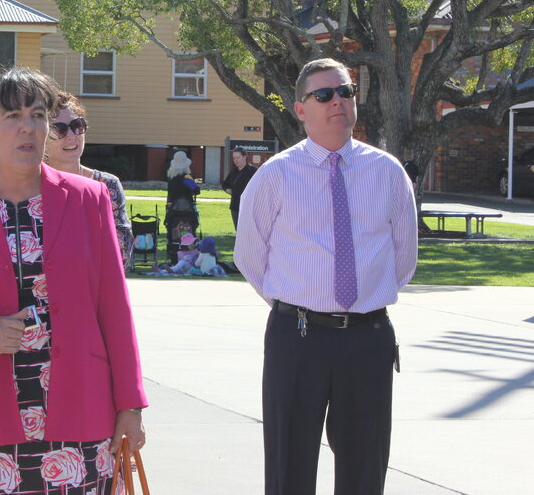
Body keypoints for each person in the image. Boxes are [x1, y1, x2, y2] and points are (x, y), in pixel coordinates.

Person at [0, 67, 147, 494]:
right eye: (13, 116)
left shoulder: (90, 199)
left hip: (82, 413)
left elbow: (114, 307)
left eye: (38, 115)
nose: (28, 127)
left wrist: (130, 404)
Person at [234, 57, 417, 495]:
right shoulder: (275, 175)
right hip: (296, 338)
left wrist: (358, 302)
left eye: (345, 92)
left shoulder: (388, 173)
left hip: (367, 337)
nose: (338, 101)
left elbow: (403, 258)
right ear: (301, 109)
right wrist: (300, 301)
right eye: (324, 94)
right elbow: (251, 256)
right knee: (289, 467)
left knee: (364, 469)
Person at [44, 91, 135, 269]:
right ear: (41, 138)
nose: (71, 135)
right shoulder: (28, 184)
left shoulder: (107, 185)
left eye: (77, 125)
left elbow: (121, 252)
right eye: (59, 129)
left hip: (92, 287)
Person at [165, 150, 200, 263]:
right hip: (187, 210)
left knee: (173, 232)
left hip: (173, 211)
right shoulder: (187, 177)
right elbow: (196, 190)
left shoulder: (171, 177)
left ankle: (173, 256)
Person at [221, 146, 258, 230]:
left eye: (238, 157)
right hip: (235, 206)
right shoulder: (233, 172)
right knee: (238, 231)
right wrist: (227, 190)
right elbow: (225, 184)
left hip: (249, 206)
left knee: (249, 231)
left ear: (245, 157)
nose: (236, 160)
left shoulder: (253, 170)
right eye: (234, 158)